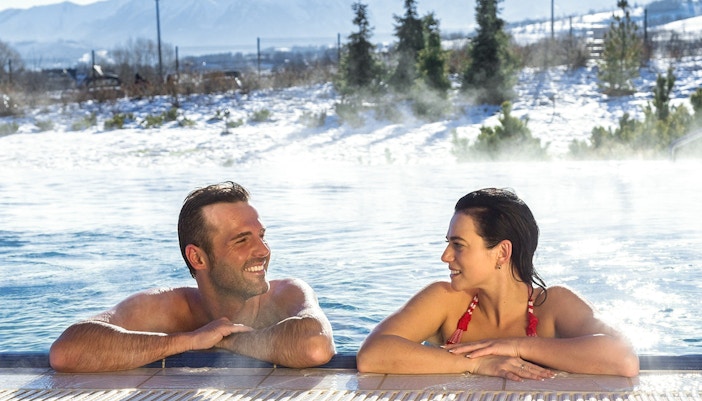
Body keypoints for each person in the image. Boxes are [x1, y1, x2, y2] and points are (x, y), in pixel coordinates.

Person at [50, 181, 336, 372]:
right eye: (241, 240)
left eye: (261, 236)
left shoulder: (287, 294)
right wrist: (186, 341)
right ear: (197, 258)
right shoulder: (169, 308)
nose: (263, 250)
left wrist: (225, 341)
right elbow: (66, 352)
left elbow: (314, 347)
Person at [357, 188, 639, 381]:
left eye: (459, 245)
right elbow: (372, 354)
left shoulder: (553, 305)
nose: (445, 256)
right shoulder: (445, 299)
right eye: (448, 244)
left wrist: (517, 347)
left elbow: (624, 359)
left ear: (502, 253)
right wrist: (476, 363)